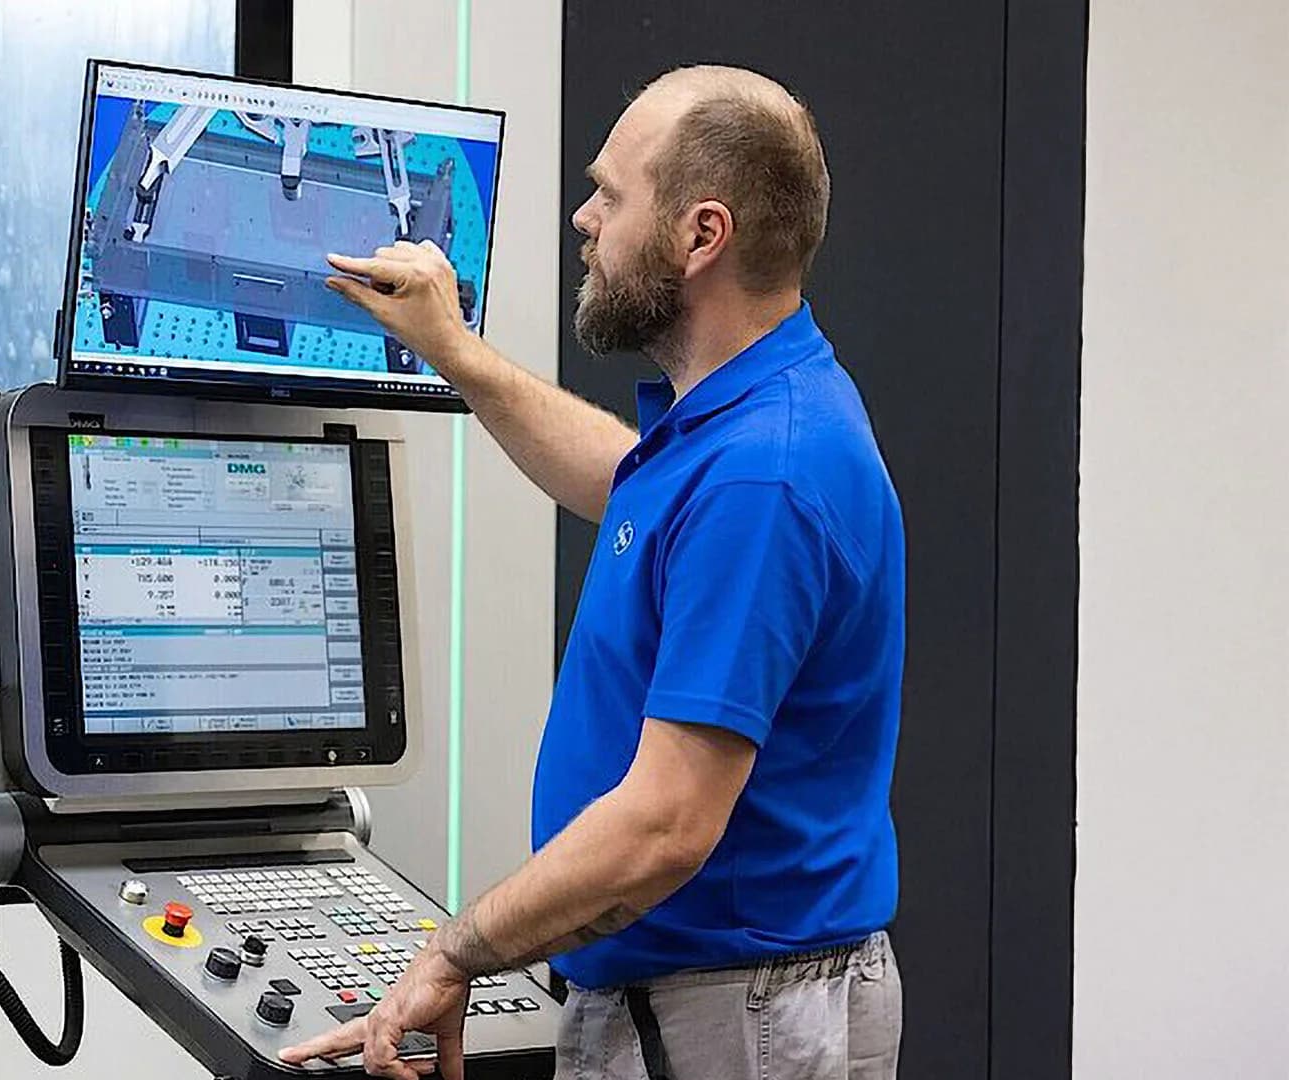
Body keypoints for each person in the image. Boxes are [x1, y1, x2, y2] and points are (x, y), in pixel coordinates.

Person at [278, 65, 906, 1080]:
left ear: (702, 236)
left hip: (729, 1019)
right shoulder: (743, 416)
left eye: (612, 196)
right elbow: (623, 482)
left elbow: (663, 827)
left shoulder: (764, 474)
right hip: (707, 998)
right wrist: (455, 352)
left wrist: (457, 951)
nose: (584, 217)